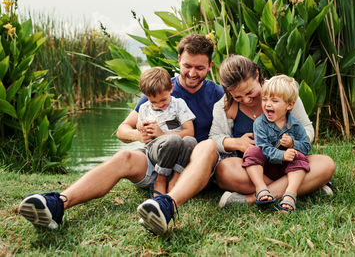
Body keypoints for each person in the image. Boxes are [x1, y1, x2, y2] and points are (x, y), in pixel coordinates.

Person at [18, 33, 224, 234]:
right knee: (124, 156)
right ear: (179, 59)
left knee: (207, 146)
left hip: (192, 164)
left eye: (200, 68)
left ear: (210, 66)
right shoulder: (162, 87)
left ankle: (167, 205)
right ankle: (58, 204)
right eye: (187, 66)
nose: (192, 73)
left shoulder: (217, 93)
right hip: (160, 155)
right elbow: (122, 130)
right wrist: (139, 135)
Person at [209, 55, 335, 209]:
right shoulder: (224, 106)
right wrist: (235, 143)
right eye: (238, 97)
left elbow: (307, 127)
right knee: (223, 171)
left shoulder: (283, 91)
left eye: (249, 92)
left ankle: (250, 199)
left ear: (257, 74)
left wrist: (293, 143)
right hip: (254, 171)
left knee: (326, 164)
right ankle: (305, 187)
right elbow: (214, 138)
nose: (247, 100)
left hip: (289, 163)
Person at [242, 75, 311, 213]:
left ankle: (290, 195)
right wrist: (282, 154)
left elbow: (306, 147)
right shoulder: (260, 123)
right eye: (265, 99)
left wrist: (293, 144)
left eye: (274, 101)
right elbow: (263, 147)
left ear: (289, 105)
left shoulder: (296, 125)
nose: (267, 104)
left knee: (301, 158)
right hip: (266, 167)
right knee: (252, 152)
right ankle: (261, 189)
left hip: (288, 170)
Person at [136, 66, 197, 195]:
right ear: (146, 96)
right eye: (154, 102)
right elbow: (140, 127)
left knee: (190, 141)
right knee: (172, 139)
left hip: (178, 151)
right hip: (156, 151)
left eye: (163, 99)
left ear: (171, 88)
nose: (159, 105)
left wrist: (163, 134)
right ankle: (160, 179)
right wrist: (141, 127)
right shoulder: (144, 108)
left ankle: (176, 177)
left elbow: (190, 131)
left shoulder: (178, 104)